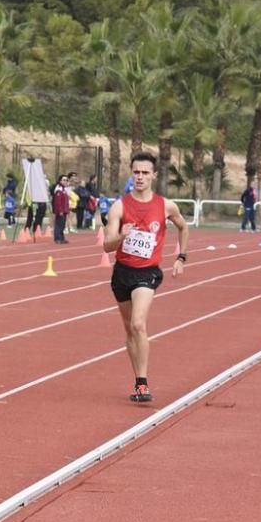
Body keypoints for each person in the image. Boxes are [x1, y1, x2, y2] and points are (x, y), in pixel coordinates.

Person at [103, 151, 190, 403]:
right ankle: (137, 380)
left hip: (147, 273)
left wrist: (181, 257)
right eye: (136, 172)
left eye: (144, 173)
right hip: (122, 273)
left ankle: (143, 383)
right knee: (130, 331)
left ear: (153, 175)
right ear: (132, 174)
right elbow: (107, 246)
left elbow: (184, 227)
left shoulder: (165, 205)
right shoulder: (120, 206)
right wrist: (122, 235)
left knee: (139, 324)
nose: (140, 177)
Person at [51, 176, 70, 244]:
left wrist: (67, 210)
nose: (65, 181)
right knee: (58, 224)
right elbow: (58, 202)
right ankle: (57, 238)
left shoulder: (64, 189)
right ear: (60, 181)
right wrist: (60, 211)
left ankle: (62, 238)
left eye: (66, 180)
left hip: (64, 210)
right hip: (60, 211)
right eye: (64, 180)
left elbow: (66, 201)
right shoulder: (58, 190)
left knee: (62, 225)